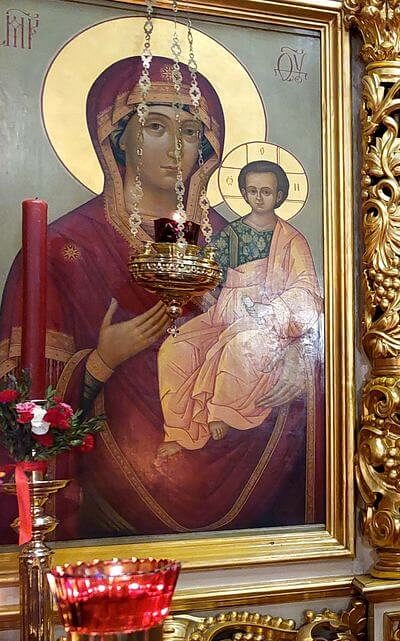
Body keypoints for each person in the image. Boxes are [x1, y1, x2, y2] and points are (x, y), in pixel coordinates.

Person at [0, 57, 318, 539]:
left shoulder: (233, 241)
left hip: (249, 464)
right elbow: (25, 407)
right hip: (114, 489)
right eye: (155, 127)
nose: (175, 148)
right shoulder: (64, 248)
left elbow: (287, 317)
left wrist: (295, 359)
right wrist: (103, 360)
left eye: (189, 131)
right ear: (116, 138)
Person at [156, 160, 321, 457]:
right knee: (175, 349)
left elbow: (305, 289)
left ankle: (222, 411)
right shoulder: (230, 234)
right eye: (252, 191)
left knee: (241, 346)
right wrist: (200, 287)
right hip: (223, 315)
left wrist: (274, 311)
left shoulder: (291, 240)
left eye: (266, 192)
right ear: (244, 193)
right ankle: (181, 430)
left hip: (267, 321)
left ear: (279, 195)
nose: (259, 198)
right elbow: (208, 274)